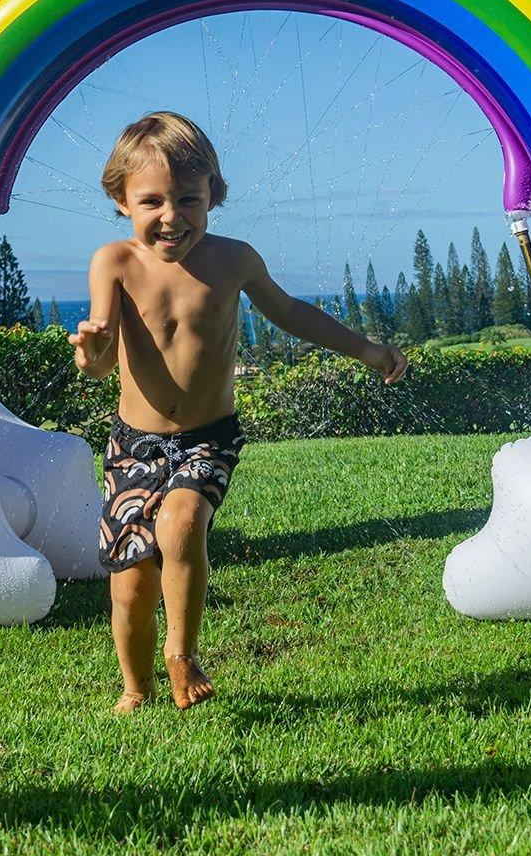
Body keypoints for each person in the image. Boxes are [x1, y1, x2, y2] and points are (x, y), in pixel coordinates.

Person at [70, 111, 407, 714]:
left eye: (189, 199)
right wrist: (94, 354)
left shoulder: (234, 260)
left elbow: (290, 313)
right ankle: (134, 688)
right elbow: (99, 362)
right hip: (133, 447)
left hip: (208, 438)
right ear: (122, 201)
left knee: (181, 523)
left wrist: (363, 348)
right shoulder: (113, 264)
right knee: (130, 589)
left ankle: (181, 653)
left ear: (212, 197)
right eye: (152, 201)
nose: (171, 216)